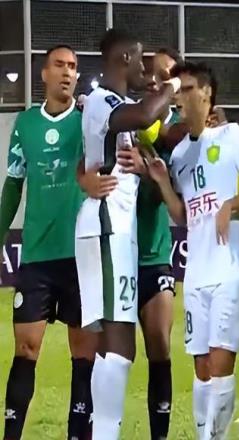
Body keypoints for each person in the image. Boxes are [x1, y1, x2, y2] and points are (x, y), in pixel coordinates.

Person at [145, 61, 239, 440]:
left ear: (206, 93)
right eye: (177, 92)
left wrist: (231, 204)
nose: (179, 98)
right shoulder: (180, 154)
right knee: (201, 368)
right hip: (196, 272)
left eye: (186, 89)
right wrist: (162, 182)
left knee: (219, 364)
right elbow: (184, 215)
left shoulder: (233, 136)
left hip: (231, 269)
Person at [74, 29, 179, 440]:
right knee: (120, 348)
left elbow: (93, 156)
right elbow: (147, 114)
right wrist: (172, 86)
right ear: (123, 59)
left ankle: (102, 433)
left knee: (111, 348)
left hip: (113, 230)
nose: (144, 71)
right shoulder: (104, 101)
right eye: (139, 61)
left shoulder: (109, 105)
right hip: (107, 227)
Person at [0, 45, 97, 440]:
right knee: (25, 350)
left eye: (73, 67)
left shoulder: (88, 120)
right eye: (60, 65)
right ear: (44, 73)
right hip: (37, 256)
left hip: (81, 255)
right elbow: (13, 186)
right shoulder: (25, 124)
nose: (68, 72)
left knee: (84, 354)